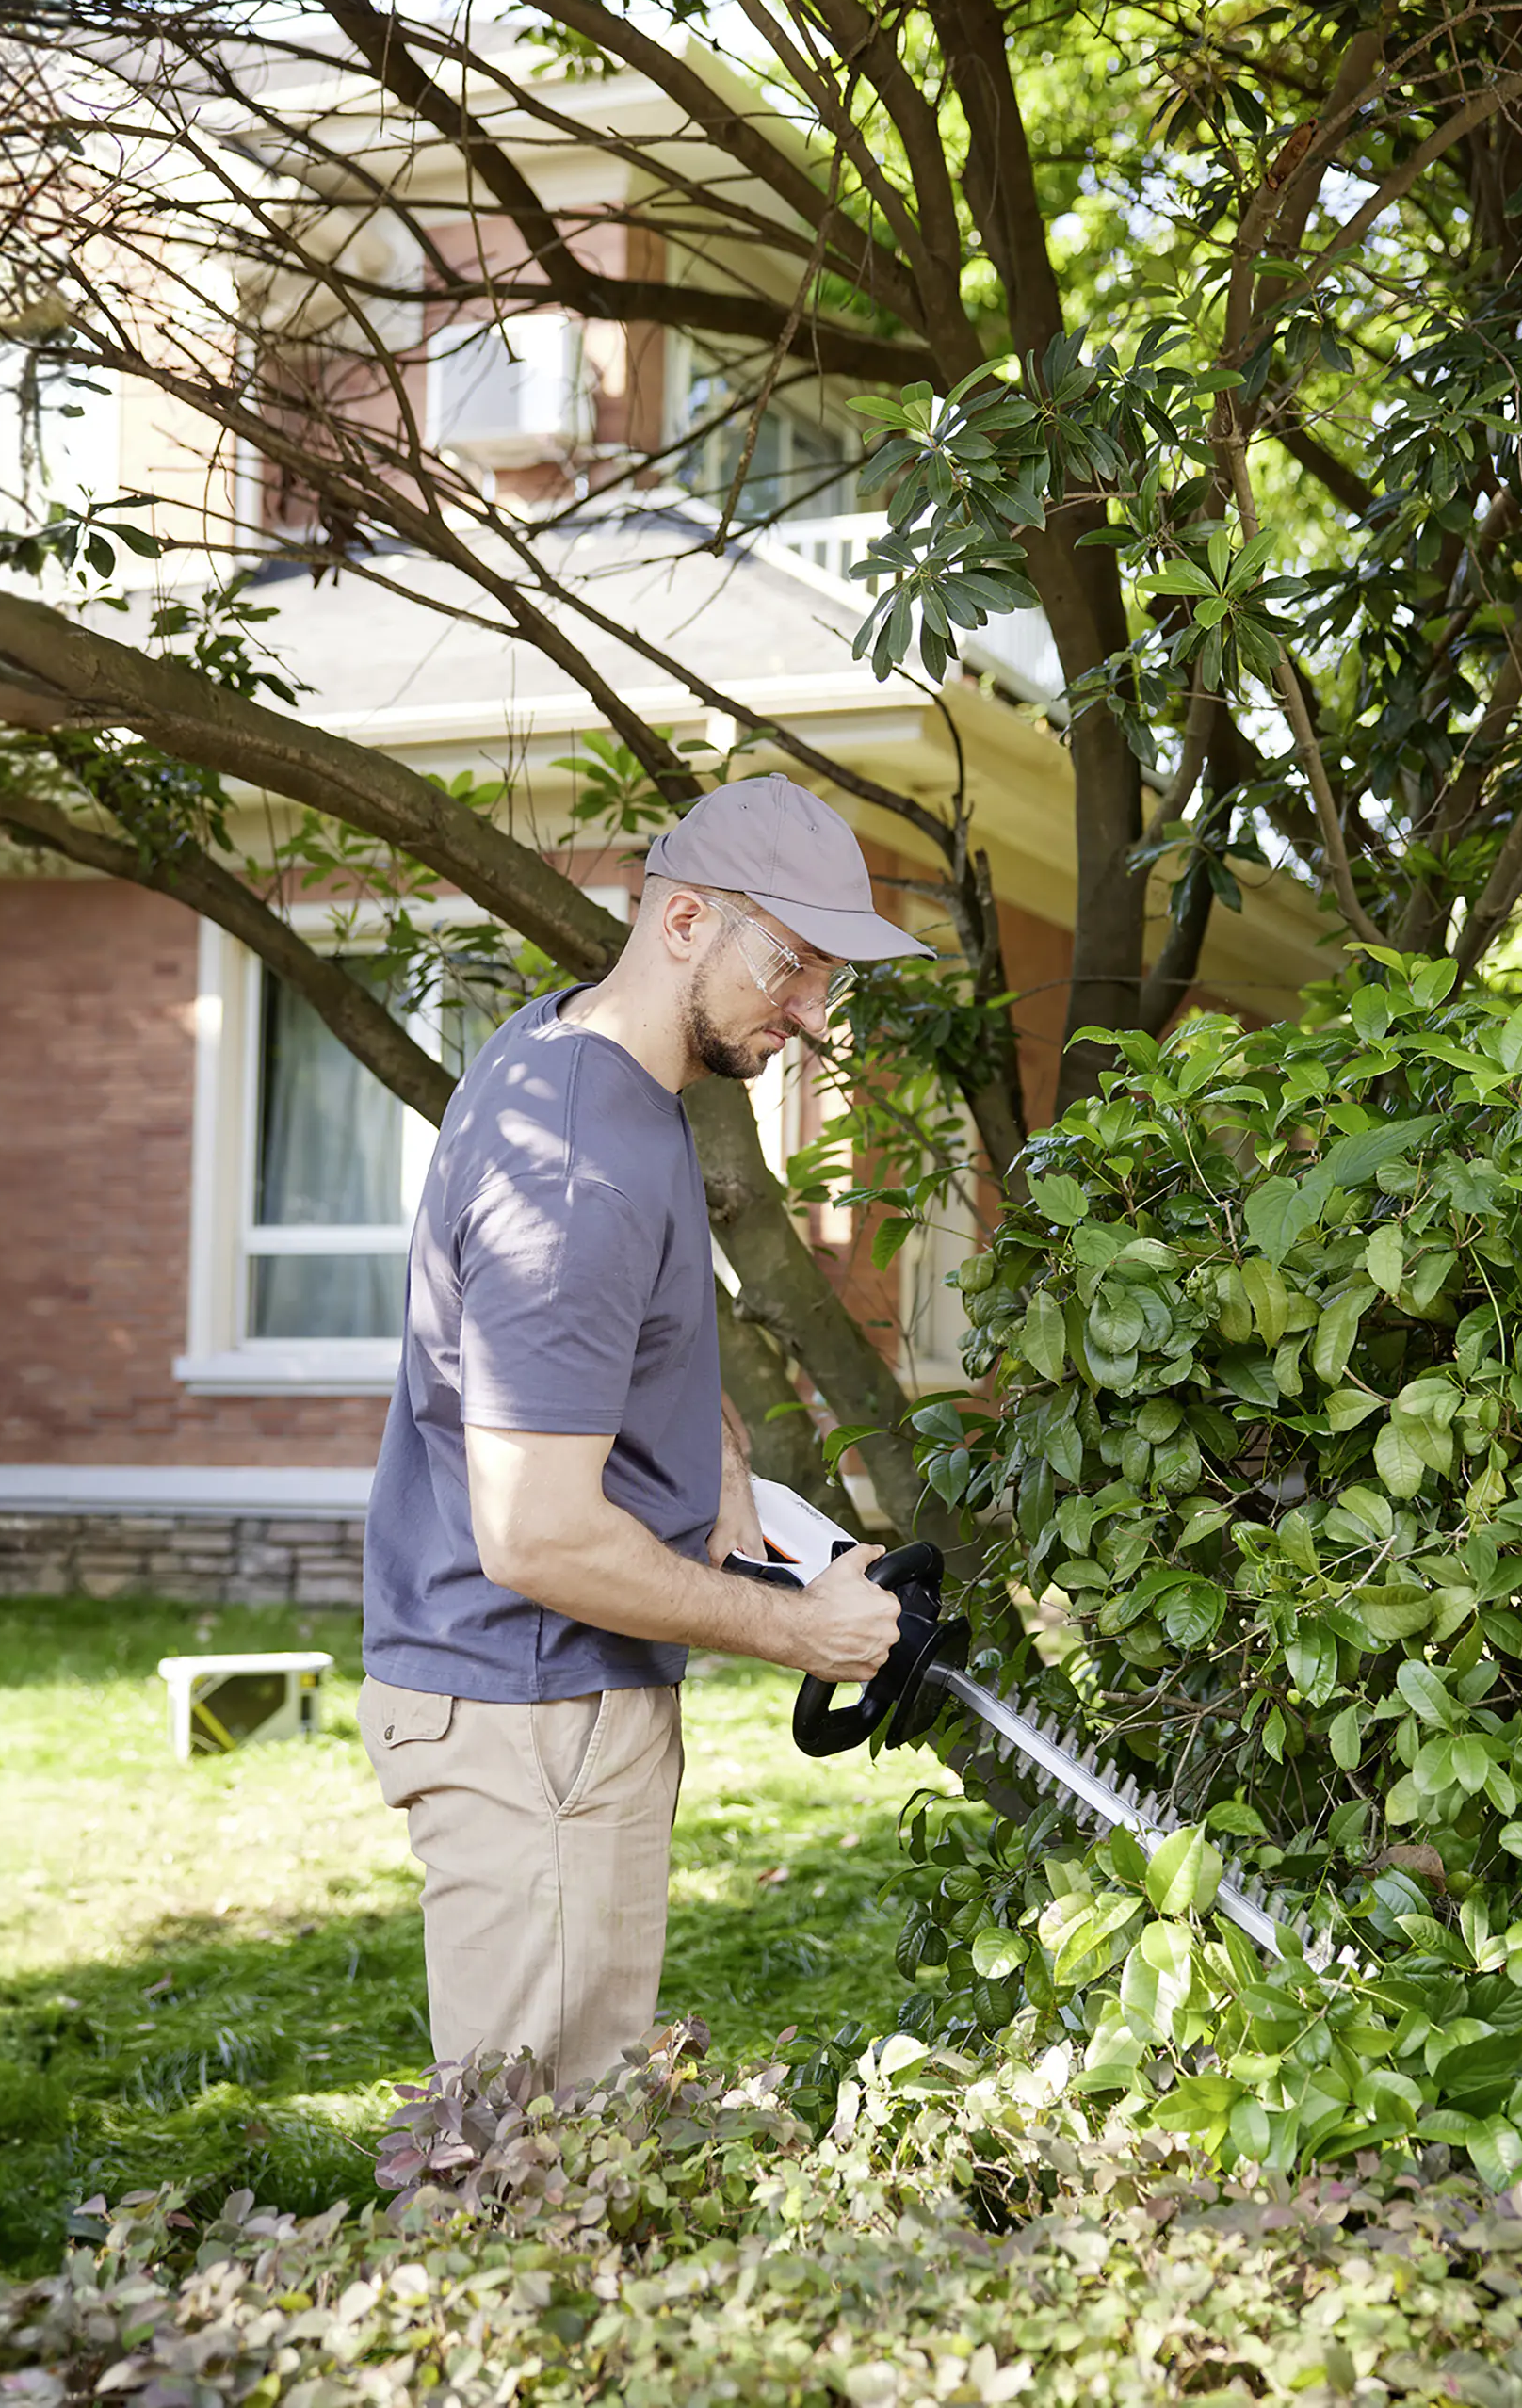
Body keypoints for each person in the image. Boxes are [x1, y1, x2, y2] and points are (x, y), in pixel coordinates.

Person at [358, 775, 929, 2084]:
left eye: (832, 978)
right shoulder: (576, 1174)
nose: (814, 1013)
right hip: (535, 1712)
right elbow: (540, 1536)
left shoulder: (579, 1055)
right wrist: (802, 1632)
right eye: (792, 966)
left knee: (568, 2134)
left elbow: (614, 1347)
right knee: (526, 2151)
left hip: (543, 1698)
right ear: (682, 921)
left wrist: (714, 1456)